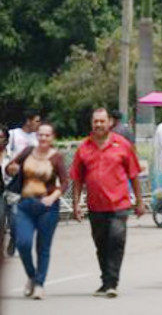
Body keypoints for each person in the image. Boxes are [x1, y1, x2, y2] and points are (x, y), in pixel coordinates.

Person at [70, 108, 144, 298]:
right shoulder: (84, 148)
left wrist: (139, 201)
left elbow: (134, 175)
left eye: (102, 121)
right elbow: (77, 179)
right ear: (91, 123)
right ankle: (106, 280)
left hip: (119, 204)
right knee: (101, 244)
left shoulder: (123, 145)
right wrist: (76, 204)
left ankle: (112, 282)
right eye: (96, 121)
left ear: (110, 122)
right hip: (96, 206)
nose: (99, 125)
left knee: (116, 240)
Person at [6, 122, 68, 300]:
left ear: (52, 138)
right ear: (36, 136)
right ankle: (32, 276)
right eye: (40, 134)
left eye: (47, 135)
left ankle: (40, 284)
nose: (43, 138)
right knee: (23, 243)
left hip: (47, 207)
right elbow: (11, 167)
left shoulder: (56, 158)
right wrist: (12, 169)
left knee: (43, 247)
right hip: (25, 204)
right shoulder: (27, 152)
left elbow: (64, 182)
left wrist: (52, 197)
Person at [4, 110, 41, 257]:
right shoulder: (13, 135)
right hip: (13, 181)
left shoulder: (36, 138)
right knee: (12, 217)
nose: (38, 124)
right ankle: (14, 236)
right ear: (28, 121)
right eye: (36, 121)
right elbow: (5, 153)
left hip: (30, 182)